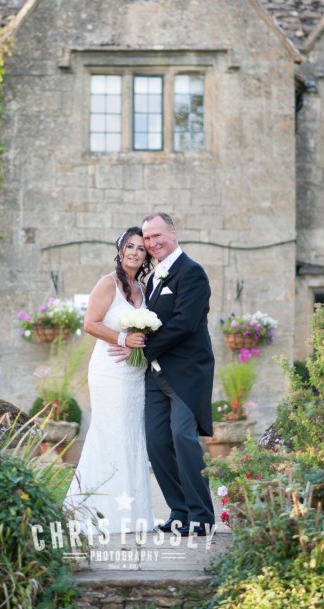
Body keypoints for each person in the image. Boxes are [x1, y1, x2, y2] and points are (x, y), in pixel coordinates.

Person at [112, 212, 215, 536]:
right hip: (154, 377)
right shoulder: (155, 278)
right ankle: (179, 511)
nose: (152, 243)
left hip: (185, 373)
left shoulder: (192, 273)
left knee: (183, 437)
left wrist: (143, 349)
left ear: (173, 232)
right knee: (157, 443)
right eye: (147, 238)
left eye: (158, 235)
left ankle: (201, 515)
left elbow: (185, 324)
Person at [63, 227, 154, 534]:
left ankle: (132, 513)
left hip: (134, 374)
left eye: (141, 249)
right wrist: (122, 338)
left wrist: (140, 344)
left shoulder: (143, 288)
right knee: (110, 434)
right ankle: (97, 513)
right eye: (129, 246)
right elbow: (90, 323)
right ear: (119, 251)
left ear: (145, 256)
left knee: (132, 436)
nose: (134, 252)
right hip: (109, 371)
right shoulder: (108, 283)